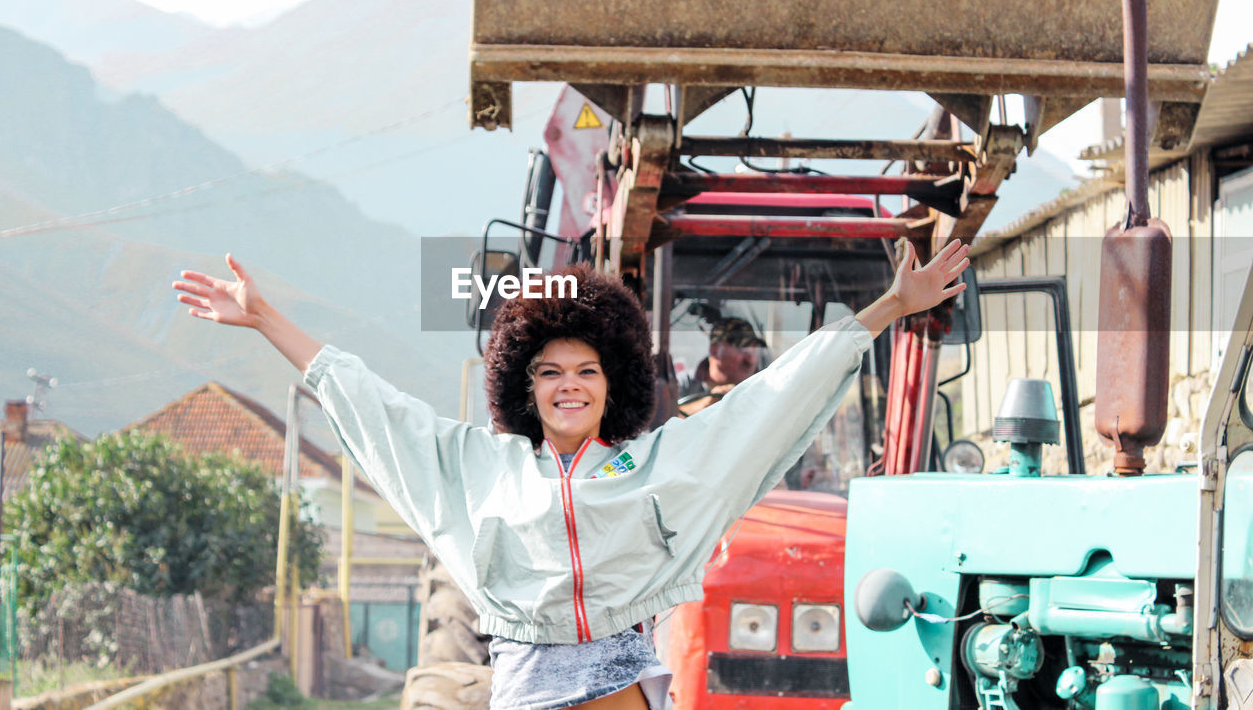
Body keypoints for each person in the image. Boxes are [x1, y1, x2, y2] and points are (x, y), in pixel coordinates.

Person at [172, 239, 970, 710]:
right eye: (550, 371)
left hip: (620, 696)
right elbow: (378, 411)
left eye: (586, 369)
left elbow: (767, 403)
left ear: (612, 379)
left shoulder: (660, 462)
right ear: (525, 383)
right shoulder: (481, 468)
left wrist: (888, 310)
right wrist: (266, 319)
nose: (569, 385)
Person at [677, 316, 767, 415]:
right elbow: (665, 422)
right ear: (715, 350)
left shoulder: (766, 387)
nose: (751, 360)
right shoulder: (680, 385)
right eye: (741, 348)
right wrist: (706, 404)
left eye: (754, 349)